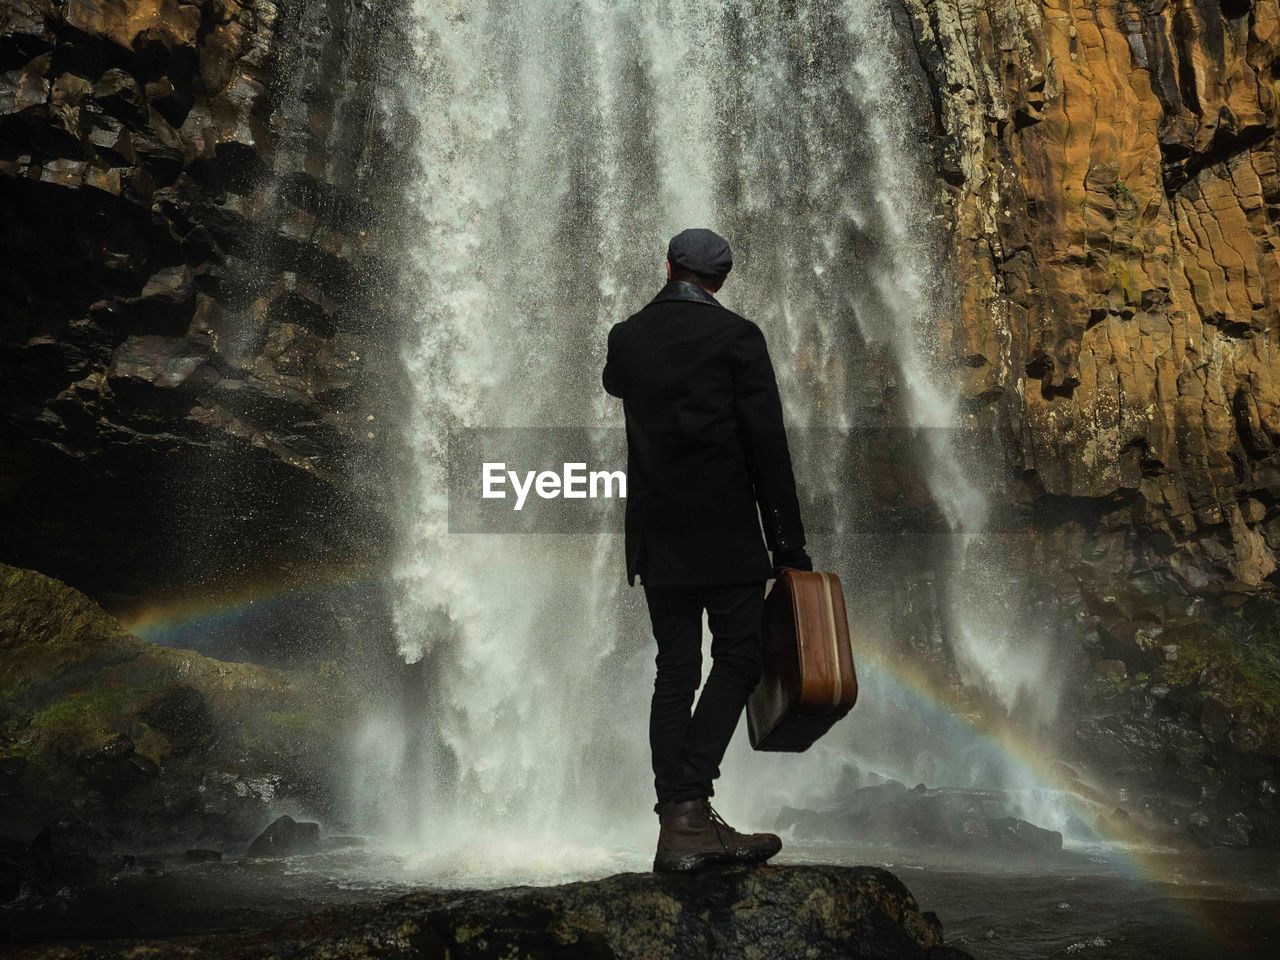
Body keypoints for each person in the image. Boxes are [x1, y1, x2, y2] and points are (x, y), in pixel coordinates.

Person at [602, 227, 812, 873]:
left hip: (658, 536)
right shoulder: (737, 338)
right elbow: (765, 444)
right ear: (720, 280)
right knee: (740, 659)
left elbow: (616, 385)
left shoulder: (627, 336)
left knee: (675, 671)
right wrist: (788, 545)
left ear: (667, 266)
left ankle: (680, 822)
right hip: (723, 531)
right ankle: (689, 809)